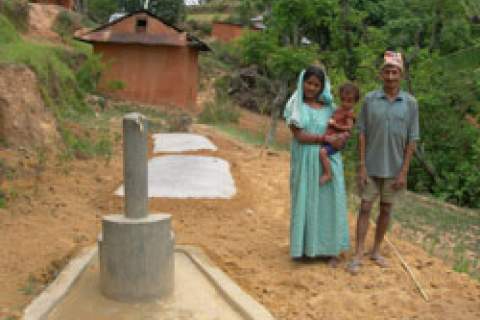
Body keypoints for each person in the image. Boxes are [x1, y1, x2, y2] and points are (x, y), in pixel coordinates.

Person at [347, 51, 420, 274]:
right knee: (365, 207)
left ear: (401, 75)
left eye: (394, 72)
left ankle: (376, 250)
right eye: (387, 71)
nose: (390, 76)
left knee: (386, 209)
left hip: (395, 169)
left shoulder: (410, 103)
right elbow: (361, 133)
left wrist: (404, 172)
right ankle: (359, 251)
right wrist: (361, 165)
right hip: (370, 165)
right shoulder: (370, 100)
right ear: (381, 74)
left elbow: (412, 139)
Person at [284, 66, 350, 266]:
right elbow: (299, 136)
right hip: (305, 161)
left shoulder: (331, 108)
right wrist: (326, 138)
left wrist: (341, 139)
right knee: (306, 200)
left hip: (329, 161)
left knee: (330, 203)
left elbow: (344, 130)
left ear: (322, 87)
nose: (311, 88)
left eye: (316, 84)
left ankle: (331, 249)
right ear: (302, 82)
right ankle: (305, 248)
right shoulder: (296, 106)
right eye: (309, 83)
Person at [319, 83, 359, 185]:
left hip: (336, 141)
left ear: (355, 101)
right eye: (343, 100)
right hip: (329, 138)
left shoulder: (349, 114)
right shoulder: (338, 110)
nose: (345, 103)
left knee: (322, 153)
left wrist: (335, 125)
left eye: (349, 101)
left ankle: (328, 173)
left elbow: (349, 128)